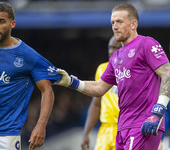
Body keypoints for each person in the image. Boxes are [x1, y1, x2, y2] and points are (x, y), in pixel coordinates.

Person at [55, 3, 170, 150]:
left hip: (143, 124)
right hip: (122, 128)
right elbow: (99, 88)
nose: (115, 26)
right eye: (113, 23)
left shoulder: (146, 44)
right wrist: (71, 82)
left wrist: (158, 110)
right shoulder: (116, 57)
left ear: (133, 24)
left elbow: (167, 74)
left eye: (120, 22)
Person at [0, 2, 61, 150]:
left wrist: (41, 125)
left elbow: (47, 90)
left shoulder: (27, 55)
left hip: (7, 134)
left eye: (1, 21)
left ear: (12, 24)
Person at [81, 36, 121, 150]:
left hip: (125, 128)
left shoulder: (133, 71)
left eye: (115, 48)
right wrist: (86, 133)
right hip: (105, 130)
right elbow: (96, 103)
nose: (111, 51)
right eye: (110, 47)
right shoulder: (102, 69)